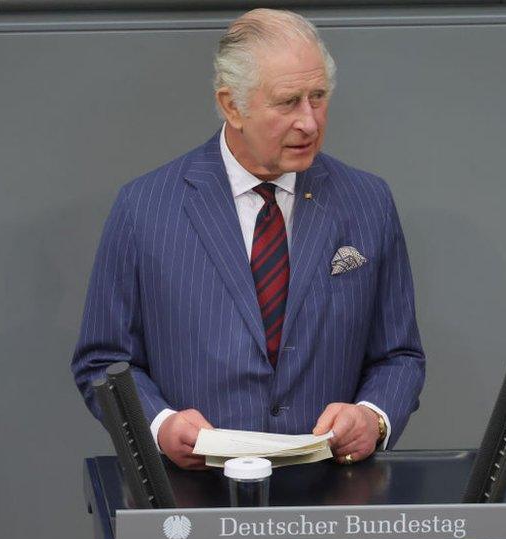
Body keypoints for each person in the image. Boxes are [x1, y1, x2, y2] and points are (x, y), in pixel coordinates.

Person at [71, 8, 425, 470]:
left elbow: (399, 355)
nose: (310, 122)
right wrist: (160, 425)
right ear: (231, 105)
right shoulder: (145, 207)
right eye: (288, 101)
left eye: (318, 97)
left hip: (330, 502)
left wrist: (373, 418)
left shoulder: (367, 201)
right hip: (195, 500)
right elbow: (103, 361)